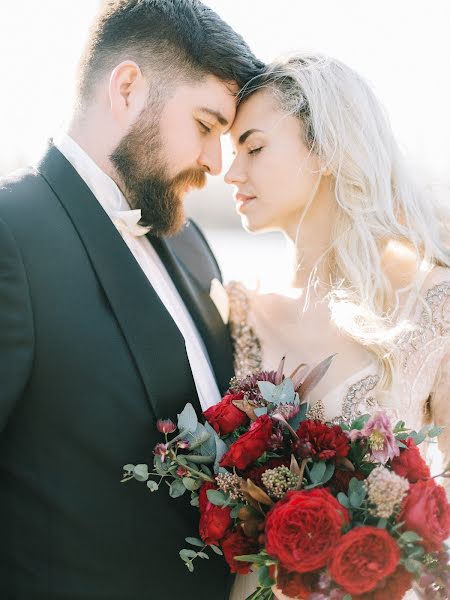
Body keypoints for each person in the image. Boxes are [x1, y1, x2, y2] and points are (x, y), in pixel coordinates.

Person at [0, 1, 263, 598]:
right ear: (127, 88)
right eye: (204, 125)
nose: (215, 162)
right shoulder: (10, 233)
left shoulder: (190, 241)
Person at [224, 53, 450, 600]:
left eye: (254, 149)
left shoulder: (432, 306)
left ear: (327, 149)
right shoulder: (240, 314)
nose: (232, 173)